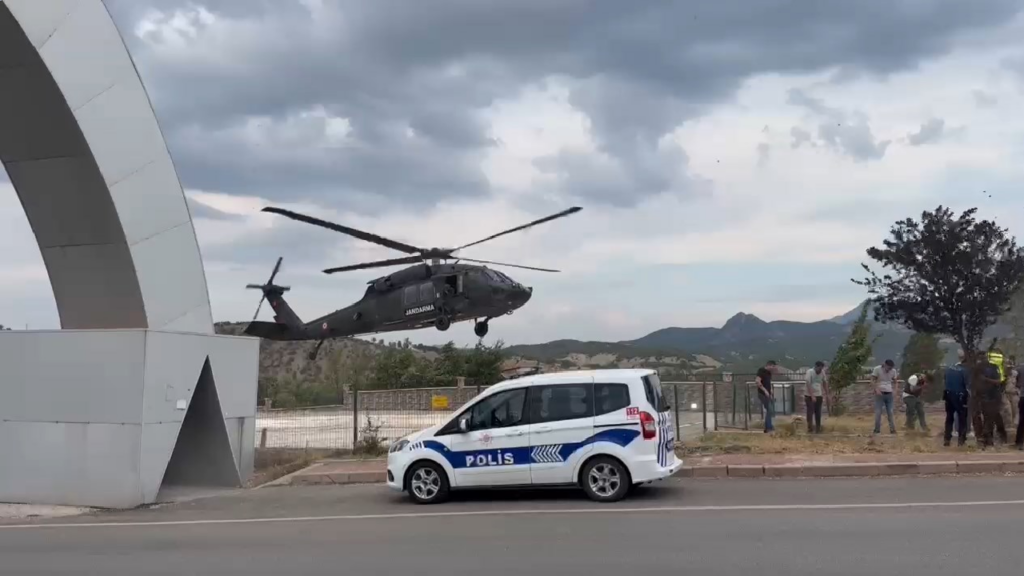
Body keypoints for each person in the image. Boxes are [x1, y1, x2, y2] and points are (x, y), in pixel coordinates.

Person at [975, 351, 1008, 448]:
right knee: (988, 418)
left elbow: (999, 382)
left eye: (983, 358)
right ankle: (989, 440)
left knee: (993, 418)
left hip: (994, 396)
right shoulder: (978, 369)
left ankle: (999, 437)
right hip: (984, 397)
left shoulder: (994, 368)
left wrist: (985, 379)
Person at [943, 349, 970, 447]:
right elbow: (967, 384)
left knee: (949, 417)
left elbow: (945, 380)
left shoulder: (949, 368)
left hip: (948, 394)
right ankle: (961, 440)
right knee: (962, 417)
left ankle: (947, 439)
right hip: (960, 395)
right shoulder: (965, 370)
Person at [871, 359, 898, 435]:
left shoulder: (893, 371)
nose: (889, 370)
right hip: (880, 393)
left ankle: (892, 430)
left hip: (889, 393)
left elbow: (896, 382)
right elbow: (872, 380)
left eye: (891, 368)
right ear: (885, 365)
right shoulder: (877, 369)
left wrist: (895, 390)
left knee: (890, 412)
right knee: (878, 412)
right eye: (888, 368)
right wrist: (876, 389)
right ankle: (877, 430)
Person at [756, 360, 778, 433]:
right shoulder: (761, 370)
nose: (773, 368)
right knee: (769, 409)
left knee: (771, 410)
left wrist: (770, 390)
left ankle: (769, 426)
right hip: (762, 393)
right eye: (773, 366)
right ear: (768, 365)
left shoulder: (769, 373)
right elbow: (757, 381)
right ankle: (768, 427)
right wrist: (765, 390)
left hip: (768, 393)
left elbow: (768, 382)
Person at [804, 361, 826, 433]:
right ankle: (809, 428)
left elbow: (825, 382)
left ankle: (818, 428)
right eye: (819, 368)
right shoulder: (809, 372)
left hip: (819, 395)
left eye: (821, 368)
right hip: (809, 396)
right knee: (810, 412)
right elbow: (808, 384)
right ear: (816, 367)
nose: (820, 370)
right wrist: (812, 395)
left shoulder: (822, 372)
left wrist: (827, 394)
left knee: (818, 412)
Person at [1004, 355, 1020, 428]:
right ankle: (1009, 425)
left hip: (1014, 394)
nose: (1009, 368)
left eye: (1010, 367)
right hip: (1006, 394)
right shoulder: (1003, 374)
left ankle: (1015, 425)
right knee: (1008, 410)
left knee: (1015, 410)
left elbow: (1019, 383)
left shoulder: (1016, 373)